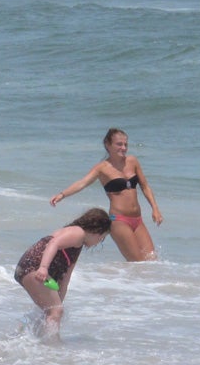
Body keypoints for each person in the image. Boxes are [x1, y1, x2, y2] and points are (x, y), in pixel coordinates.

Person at [49, 128, 162, 261]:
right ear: (108, 145)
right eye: (119, 144)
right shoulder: (102, 168)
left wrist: (155, 209)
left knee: (152, 261)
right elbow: (82, 183)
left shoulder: (133, 161)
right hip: (119, 221)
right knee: (138, 263)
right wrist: (62, 195)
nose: (123, 148)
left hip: (138, 219)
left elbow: (145, 186)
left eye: (126, 144)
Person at [14, 207, 112, 339]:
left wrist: (59, 300)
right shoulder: (78, 233)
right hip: (34, 268)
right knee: (55, 310)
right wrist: (43, 267)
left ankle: (23, 334)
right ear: (96, 231)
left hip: (29, 269)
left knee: (51, 309)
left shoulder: (78, 244)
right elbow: (53, 243)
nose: (99, 242)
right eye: (102, 238)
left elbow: (65, 279)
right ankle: (51, 346)